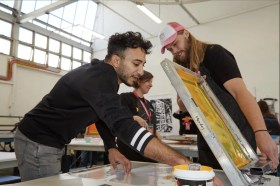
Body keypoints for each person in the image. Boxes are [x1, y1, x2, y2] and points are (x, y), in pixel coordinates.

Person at [14, 31, 191, 182]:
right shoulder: (100, 78)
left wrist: (111, 148)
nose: (141, 71)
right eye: (136, 64)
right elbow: (123, 126)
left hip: (48, 141)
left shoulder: (106, 78)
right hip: (37, 142)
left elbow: (100, 116)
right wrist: (179, 161)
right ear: (116, 60)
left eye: (142, 65)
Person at [159, 22, 279, 170]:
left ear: (186, 34)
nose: (175, 51)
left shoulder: (214, 53)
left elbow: (239, 92)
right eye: (170, 49)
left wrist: (261, 132)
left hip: (237, 138)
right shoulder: (181, 67)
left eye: (176, 44)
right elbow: (183, 107)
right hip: (208, 140)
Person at [117, 70, 158, 162]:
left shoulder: (149, 104)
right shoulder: (125, 98)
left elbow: (151, 124)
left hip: (148, 147)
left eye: (151, 82)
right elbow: (118, 117)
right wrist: (134, 117)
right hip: (131, 150)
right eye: (148, 81)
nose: (151, 85)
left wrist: (157, 135)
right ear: (139, 81)